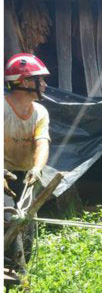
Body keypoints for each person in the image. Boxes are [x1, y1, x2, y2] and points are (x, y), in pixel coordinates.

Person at [4, 53, 51, 273]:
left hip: (25, 174)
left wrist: (36, 168)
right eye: (38, 79)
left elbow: (42, 144)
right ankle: (16, 278)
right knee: (8, 222)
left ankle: (22, 275)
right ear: (23, 82)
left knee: (27, 225)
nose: (44, 84)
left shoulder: (40, 112)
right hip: (3, 173)